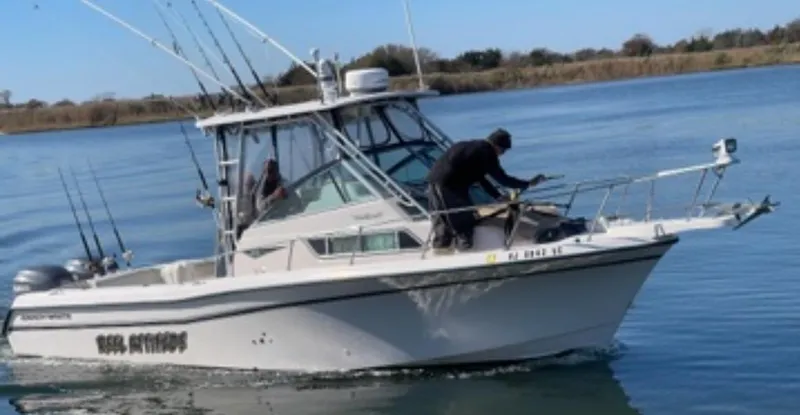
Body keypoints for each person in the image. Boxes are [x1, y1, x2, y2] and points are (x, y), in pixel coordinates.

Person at [426, 128, 548, 250]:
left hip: (435, 183)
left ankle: (442, 250)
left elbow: (480, 178)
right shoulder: (486, 152)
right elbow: (503, 179)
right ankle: (465, 252)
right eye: (503, 151)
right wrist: (528, 184)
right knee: (464, 223)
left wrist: (497, 196)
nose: (502, 154)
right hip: (449, 186)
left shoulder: (473, 147)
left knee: (443, 223)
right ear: (497, 146)